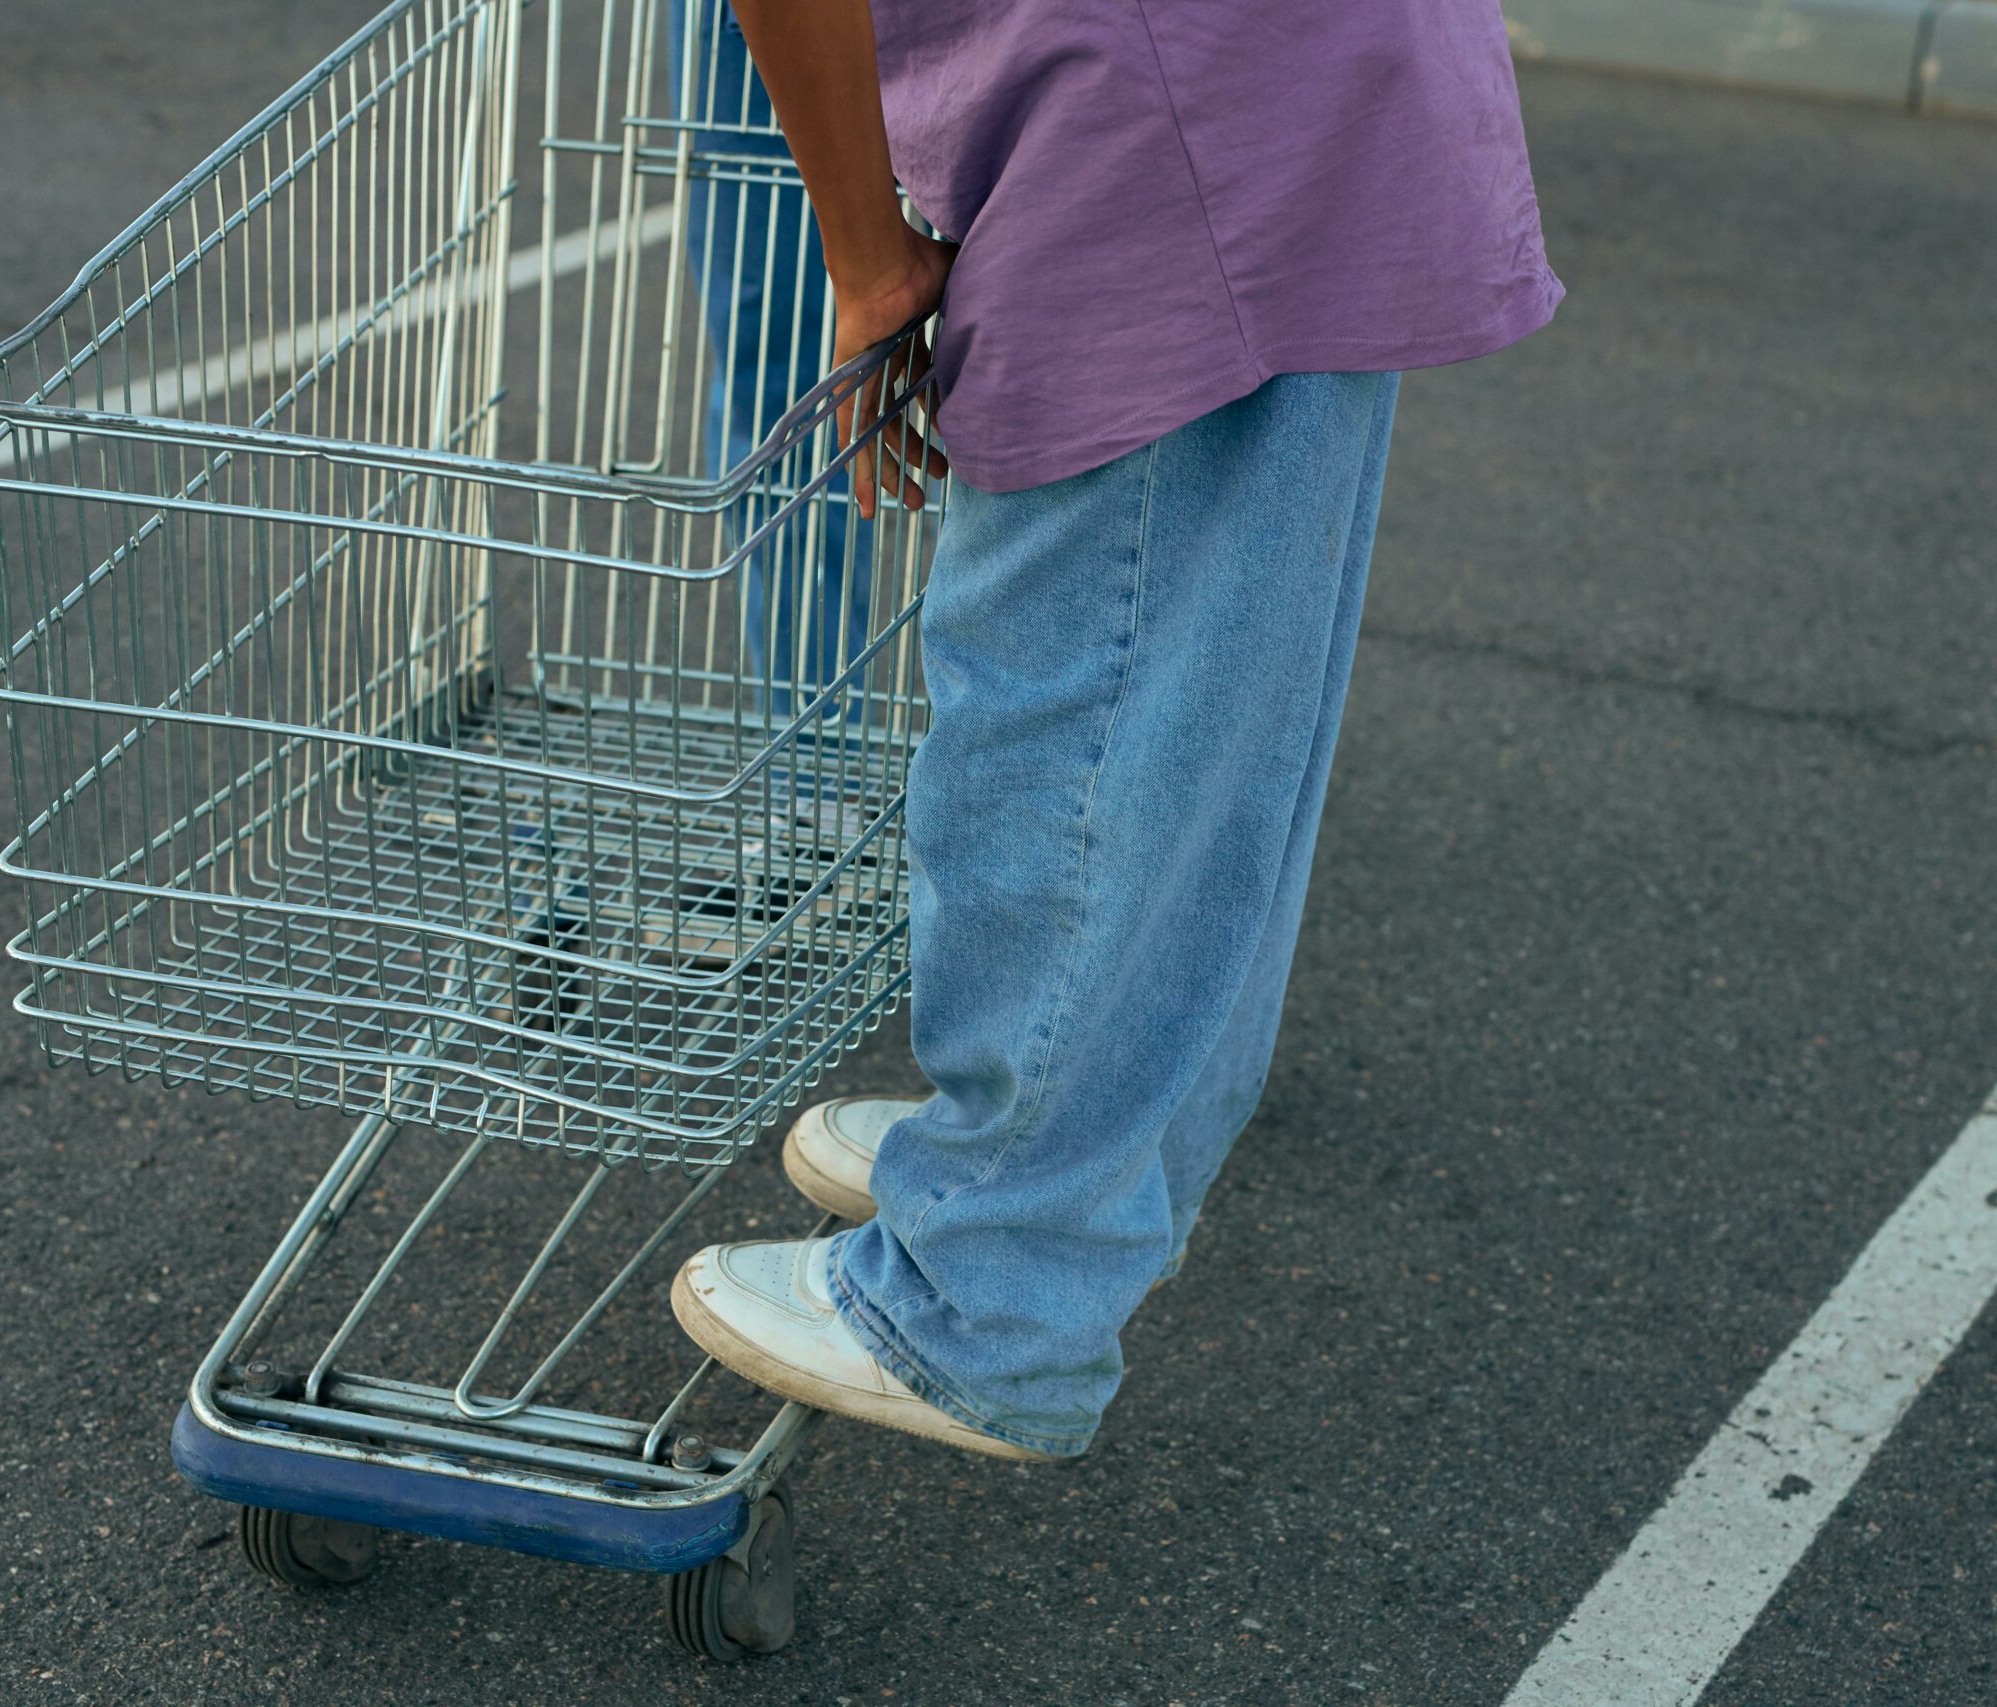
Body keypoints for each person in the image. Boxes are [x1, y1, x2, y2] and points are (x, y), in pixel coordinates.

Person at [669, 0, 1563, 1461]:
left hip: (1176, 114)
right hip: (1295, 79)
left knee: (1074, 693)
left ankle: (984, 1295)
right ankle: (1086, 1162)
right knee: (1217, 705)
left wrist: (868, 260)